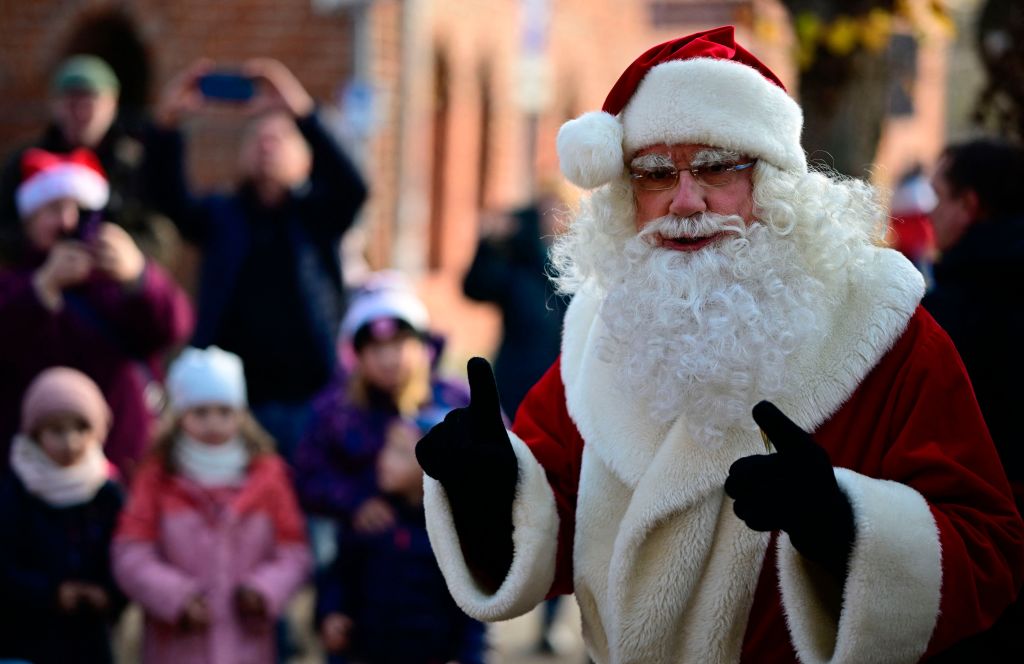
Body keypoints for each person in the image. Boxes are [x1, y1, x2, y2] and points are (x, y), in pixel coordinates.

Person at [415, 26, 1024, 663]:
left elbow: (989, 548)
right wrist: (491, 490)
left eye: (716, 167)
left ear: (773, 180)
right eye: (654, 174)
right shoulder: (602, 324)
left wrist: (843, 527)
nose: (684, 201)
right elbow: (556, 524)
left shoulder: (880, 328)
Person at [147, 58, 368, 462]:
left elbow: (354, 187)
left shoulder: (317, 215)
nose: (267, 146)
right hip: (231, 400)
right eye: (258, 139)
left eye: (280, 139)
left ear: (305, 160)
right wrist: (166, 125)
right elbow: (168, 200)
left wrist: (301, 110)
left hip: (309, 395)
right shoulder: (221, 213)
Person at [0, 147, 194, 477]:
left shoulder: (116, 276)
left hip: (123, 460)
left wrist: (140, 279)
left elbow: (173, 327)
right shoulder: (13, 281)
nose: (67, 222)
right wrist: (40, 290)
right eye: (53, 209)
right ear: (28, 219)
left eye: (79, 209)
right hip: (35, 472)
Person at [112, 346, 311, 664]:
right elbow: (131, 553)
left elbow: (294, 550)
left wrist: (264, 590)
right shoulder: (157, 479)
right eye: (200, 412)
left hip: (249, 646)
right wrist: (175, 596)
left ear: (241, 414)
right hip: (175, 647)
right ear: (179, 416)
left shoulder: (269, 477)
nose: (214, 424)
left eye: (225, 411)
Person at [921, 138, 1024, 660]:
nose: (929, 212)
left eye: (940, 197)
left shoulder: (950, 316)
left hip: (978, 555)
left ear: (971, 205)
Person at [293, 272, 470, 568]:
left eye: (398, 344)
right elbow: (308, 474)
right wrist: (353, 502)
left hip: (450, 560)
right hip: (365, 560)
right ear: (356, 355)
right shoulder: (337, 408)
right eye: (376, 348)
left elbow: (496, 462)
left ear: (421, 345)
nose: (388, 359)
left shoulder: (455, 400)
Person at [317, 415, 487, 664]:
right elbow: (340, 576)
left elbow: (471, 612)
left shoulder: (453, 534)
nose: (384, 460)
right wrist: (331, 613)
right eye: (387, 447)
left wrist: (471, 657)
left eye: (400, 453)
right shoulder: (369, 519)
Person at [0, 55, 180, 265]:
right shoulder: (25, 161)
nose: (79, 112)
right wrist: (38, 248)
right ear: (53, 104)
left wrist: (127, 257)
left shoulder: (134, 163)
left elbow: (162, 235)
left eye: (89, 101)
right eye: (70, 101)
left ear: (112, 103)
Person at [0, 367, 125, 664]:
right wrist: (49, 593)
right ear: (35, 432)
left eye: (80, 429)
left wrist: (109, 594)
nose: (70, 442)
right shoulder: (15, 493)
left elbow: (126, 554)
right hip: (25, 640)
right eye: (57, 430)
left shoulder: (107, 494)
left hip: (91, 642)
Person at [463, 195, 569, 420]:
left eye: (560, 209)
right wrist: (489, 245)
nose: (553, 219)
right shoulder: (517, 264)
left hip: (563, 377)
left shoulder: (577, 264)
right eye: (546, 212)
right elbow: (476, 288)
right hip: (516, 374)